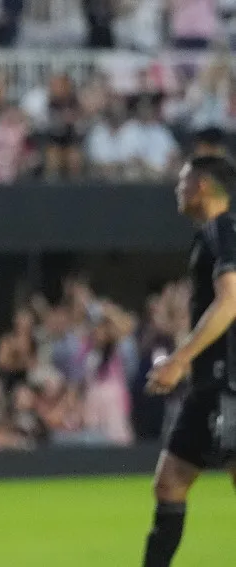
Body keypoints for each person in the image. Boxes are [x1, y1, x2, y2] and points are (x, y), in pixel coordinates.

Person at [143, 155, 236, 567]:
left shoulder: (222, 229)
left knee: (171, 483)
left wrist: (180, 360)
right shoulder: (216, 233)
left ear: (201, 185)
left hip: (223, 383)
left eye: (182, 180)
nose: (177, 188)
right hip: (220, 382)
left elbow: (231, 299)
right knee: (171, 483)